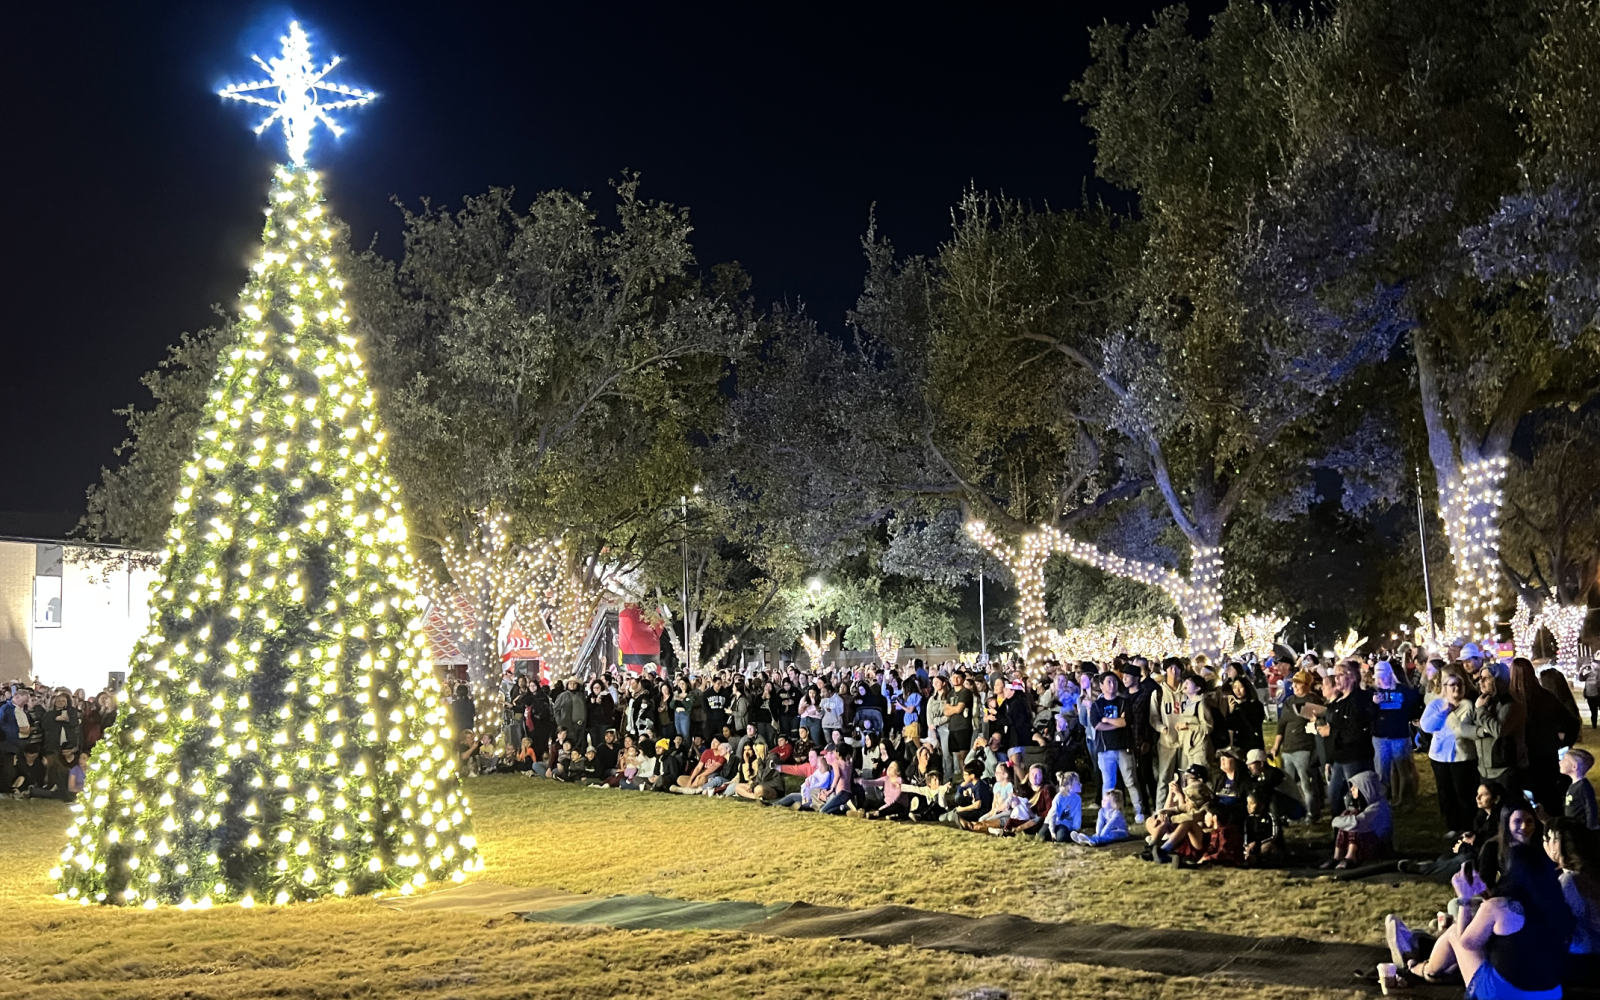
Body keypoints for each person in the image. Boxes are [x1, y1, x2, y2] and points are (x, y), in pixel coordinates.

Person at [1391, 803, 1574, 997]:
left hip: (1506, 994)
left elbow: (1467, 942)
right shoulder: (1555, 902)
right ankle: (1429, 964)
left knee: (1454, 933)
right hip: (1550, 994)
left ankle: (1420, 969)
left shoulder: (1499, 906)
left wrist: (1464, 898)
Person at [1421, 666, 1481, 836]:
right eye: (1451, 685)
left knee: (1464, 792)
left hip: (1462, 756)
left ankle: (1467, 825)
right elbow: (1427, 726)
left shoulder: (1468, 705)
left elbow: (1464, 729)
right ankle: (1452, 825)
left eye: (1459, 685)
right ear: (1444, 687)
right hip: (1440, 756)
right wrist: (1444, 712)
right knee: (1446, 791)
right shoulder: (1436, 704)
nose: (1456, 688)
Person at [1313, 660, 1376, 817]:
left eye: (1340, 674)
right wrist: (1329, 759)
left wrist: (1331, 731)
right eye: (1335, 675)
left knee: (1358, 799)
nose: (1336, 679)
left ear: (1352, 677)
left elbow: (1356, 731)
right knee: (1334, 798)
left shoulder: (1358, 700)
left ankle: (1361, 834)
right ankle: (1340, 835)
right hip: (1339, 758)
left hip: (1355, 758)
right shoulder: (1338, 702)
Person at [1090, 672, 1146, 823]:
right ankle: (1108, 811)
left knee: (1131, 781)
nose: (1112, 684)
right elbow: (1097, 725)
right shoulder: (1097, 705)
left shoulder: (1123, 702)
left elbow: (1125, 722)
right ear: (1101, 685)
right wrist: (1116, 722)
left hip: (1123, 747)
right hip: (1105, 749)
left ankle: (1138, 810)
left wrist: (1107, 719)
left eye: (1114, 681)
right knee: (1108, 783)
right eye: (1108, 682)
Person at [1271, 670, 1323, 821]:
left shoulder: (1313, 700)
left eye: (1297, 683)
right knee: (1291, 785)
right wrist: (1276, 746)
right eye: (1293, 683)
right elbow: (1282, 725)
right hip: (1288, 749)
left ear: (1307, 685)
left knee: (1306, 784)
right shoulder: (1289, 701)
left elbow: (1318, 724)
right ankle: (1294, 812)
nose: (1294, 686)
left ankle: (1311, 813)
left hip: (1304, 748)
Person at [1370, 660, 1422, 806]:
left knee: (1403, 769)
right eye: (1378, 676)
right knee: (1382, 771)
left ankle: (1405, 800)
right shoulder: (1372, 692)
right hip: (1381, 737)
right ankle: (1383, 800)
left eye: (1383, 675)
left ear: (1389, 675)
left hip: (1400, 735)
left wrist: (1408, 716)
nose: (1381, 679)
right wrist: (1373, 704)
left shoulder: (1402, 690)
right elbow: (1368, 715)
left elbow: (1414, 704)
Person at [1326, 770, 1391, 869]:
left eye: (1355, 787)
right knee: (1347, 815)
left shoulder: (1379, 806)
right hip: (1366, 843)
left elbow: (1358, 823)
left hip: (1377, 846)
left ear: (1365, 788)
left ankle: (1351, 856)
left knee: (1353, 821)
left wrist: (1336, 821)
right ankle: (1337, 856)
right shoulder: (1365, 805)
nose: (1351, 789)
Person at [1044, 771, 1084, 843]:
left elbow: (1077, 814)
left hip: (1064, 823)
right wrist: (1052, 831)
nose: (1079, 784)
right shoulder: (1059, 797)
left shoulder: (1077, 799)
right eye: (1076, 783)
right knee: (1042, 836)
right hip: (1052, 821)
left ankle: (1068, 835)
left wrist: (1075, 829)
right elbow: (1053, 814)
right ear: (1069, 786)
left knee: (1062, 838)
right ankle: (1056, 833)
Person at [1561, 748, 1597, 830]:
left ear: (1574, 766)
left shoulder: (1583, 787)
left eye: (1564, 760)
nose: (1560, 762)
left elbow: (1590, 809)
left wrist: (1591, 829)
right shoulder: (1573, 785)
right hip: (1573, 829)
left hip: (1580, 831)